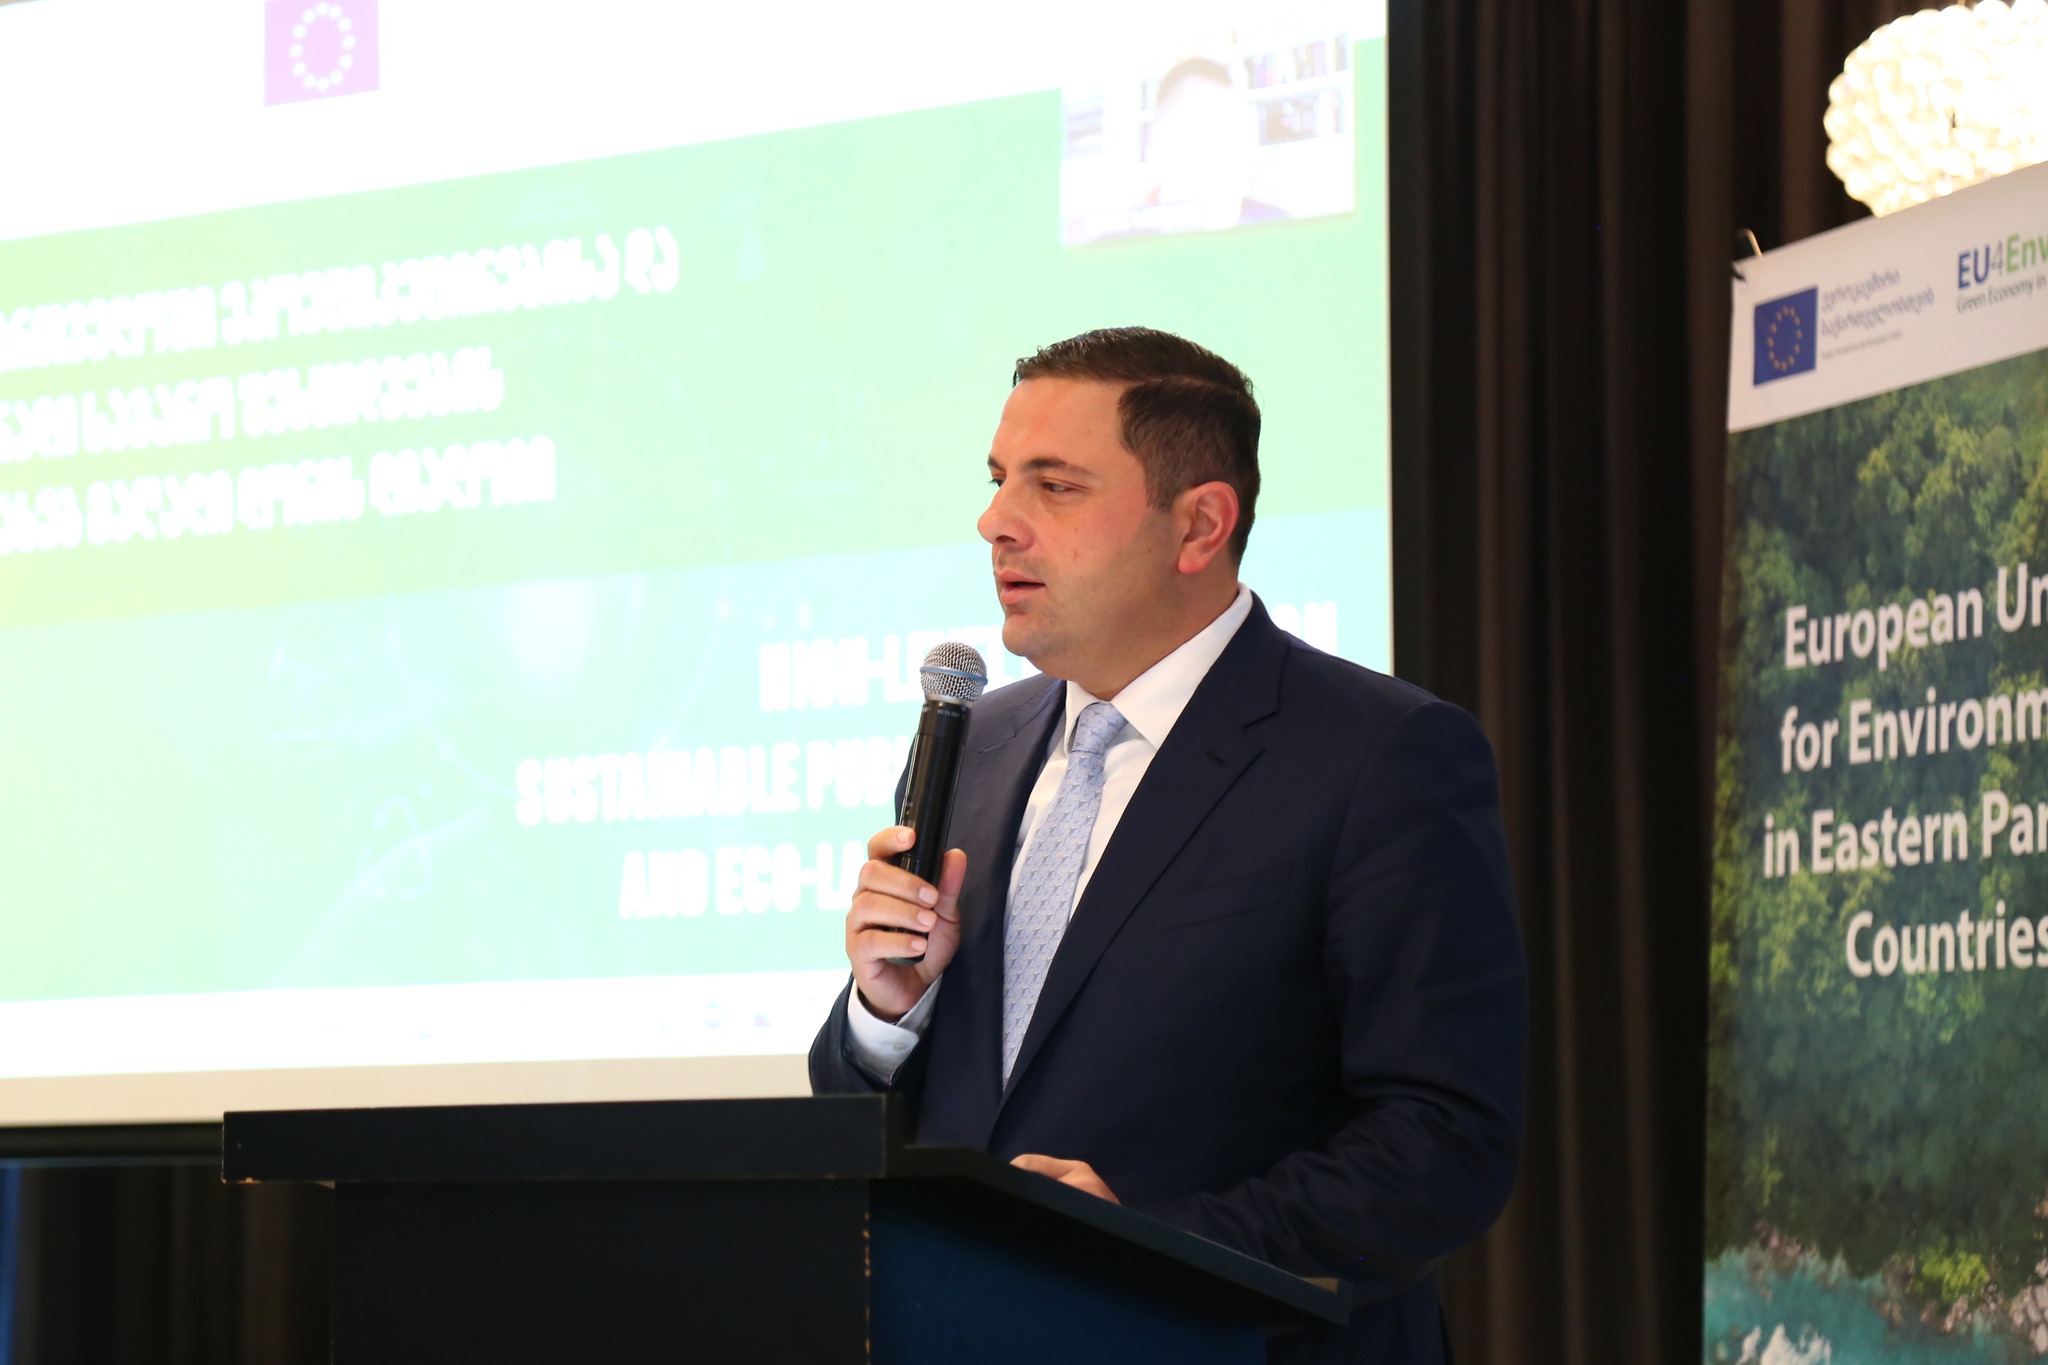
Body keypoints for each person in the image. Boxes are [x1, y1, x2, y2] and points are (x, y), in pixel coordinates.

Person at [809, 327, 1526, 1364]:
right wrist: (884, 1017)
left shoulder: (1381, 755)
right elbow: (891, 1117)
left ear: (1199, 525)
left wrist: (1151, 1246)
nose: (995, 522)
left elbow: (1444, 1142)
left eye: (1054, 486)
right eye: (999, 480)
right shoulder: (975, 744)